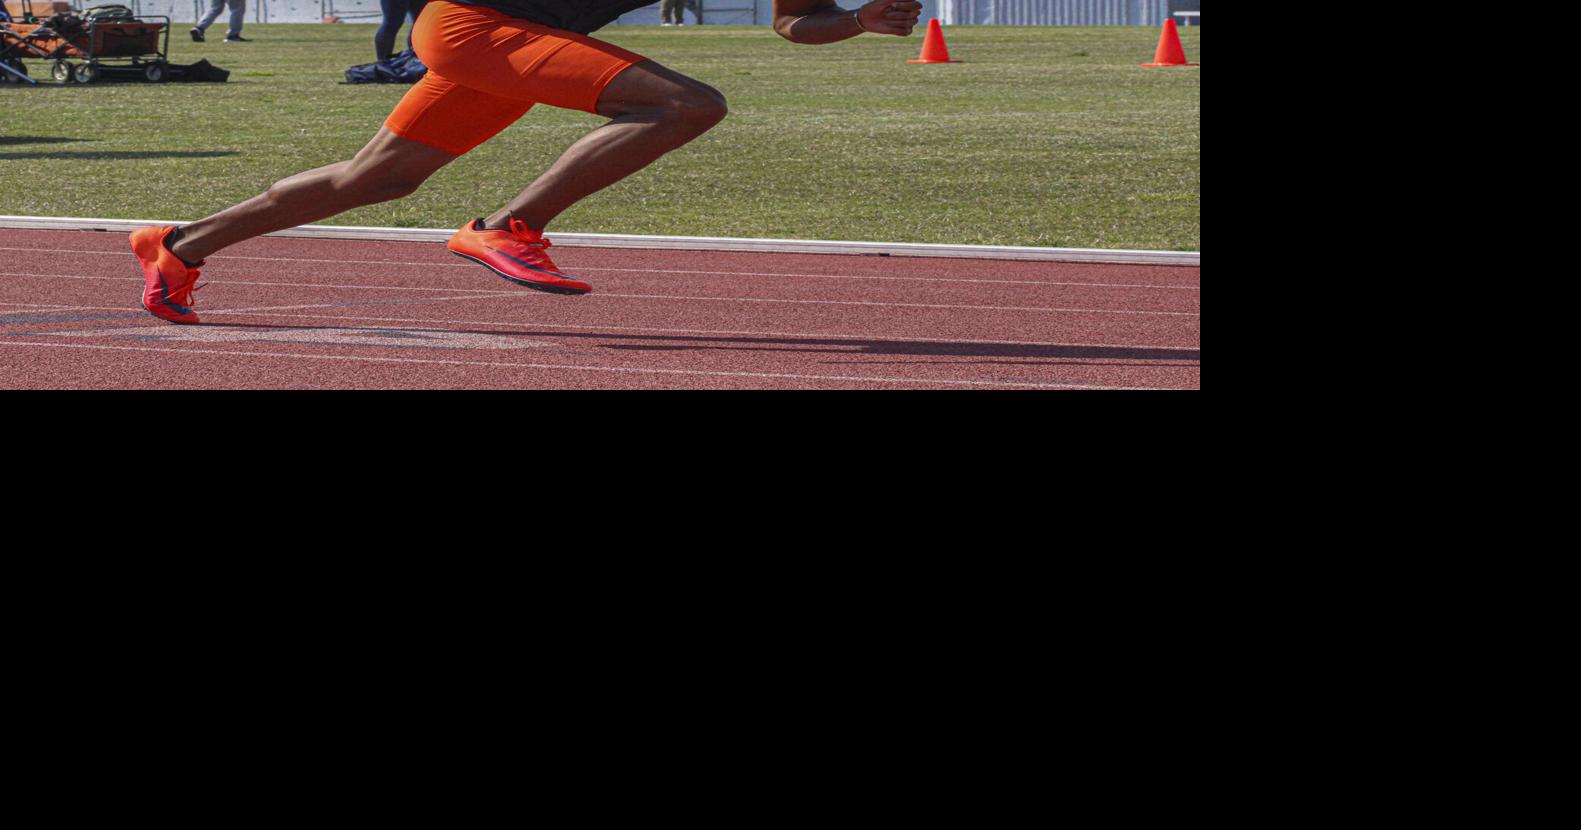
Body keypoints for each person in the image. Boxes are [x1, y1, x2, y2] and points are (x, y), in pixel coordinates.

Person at [134, 0, 921, 324]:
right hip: (475, 22)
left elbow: (795, 21)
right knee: (686, 104)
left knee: (378, 177)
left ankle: (178, 246)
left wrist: (856, 20)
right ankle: (509, 226)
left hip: (511, 41)